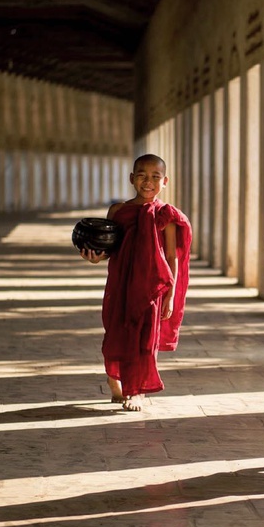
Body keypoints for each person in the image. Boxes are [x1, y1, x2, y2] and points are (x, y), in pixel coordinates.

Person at [82, 154, 192, 411]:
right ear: (132, 178)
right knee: (115, 333)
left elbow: (171, 256)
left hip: (152, 287)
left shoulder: (165, 214)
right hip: (120, 285)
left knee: (146, 338)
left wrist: (171, 293)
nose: (148, 182)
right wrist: (94, 257)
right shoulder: (118, 211)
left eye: (155, 177)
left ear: (165, 181)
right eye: (142, 175)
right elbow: (108, 247)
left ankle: (137, 391)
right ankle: (114, 379)